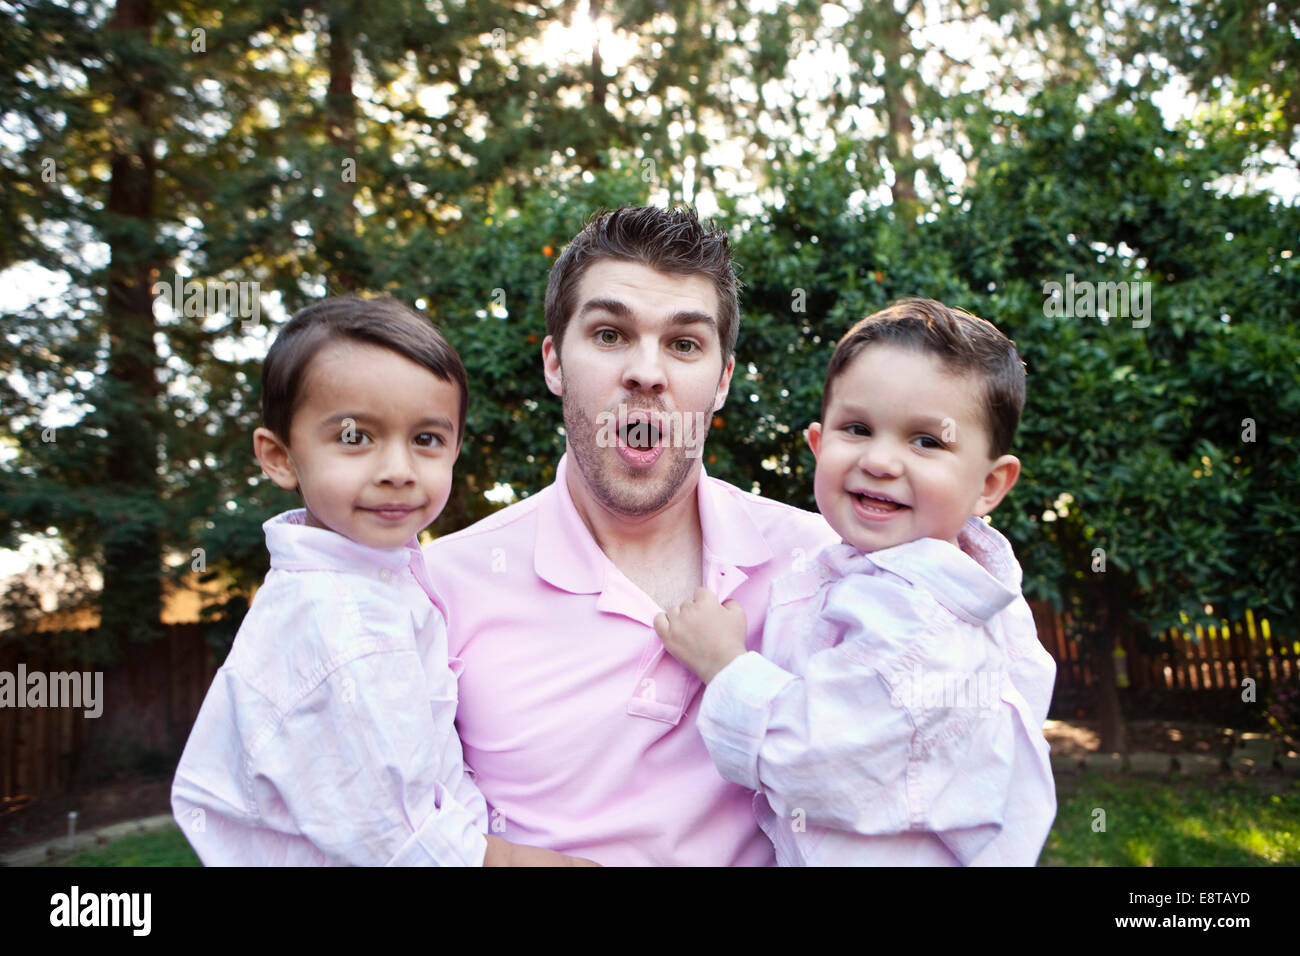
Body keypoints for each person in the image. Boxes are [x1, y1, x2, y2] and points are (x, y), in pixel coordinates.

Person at [422, 207, 841, 866]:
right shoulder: (441, 586)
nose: (647, 372)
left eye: (683, 344)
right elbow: (383, 823)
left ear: (723, 379)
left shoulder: (826, 569)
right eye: (611, 334)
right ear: (555, 363)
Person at [171, 296, 592, 866]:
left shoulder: (379, 582)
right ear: (280, 457)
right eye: (354, 437)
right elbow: (403, 844)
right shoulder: (341, 622)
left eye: (426, 439)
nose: (397, 470)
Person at [654, 298, 1058, 865]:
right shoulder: (895, 579)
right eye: (858, 428)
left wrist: (725, 665)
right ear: (819, 444)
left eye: (927, 441)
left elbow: (818, 759)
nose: (881, 461)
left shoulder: (924, 622)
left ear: (990, 484)